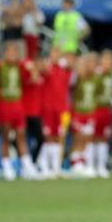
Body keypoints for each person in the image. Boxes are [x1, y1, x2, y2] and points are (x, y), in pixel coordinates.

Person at [0, 42, 39, 180]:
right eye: (10, 52)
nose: (13, 55)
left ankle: (26, 165)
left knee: (21, 135)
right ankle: (6, 166)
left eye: (15, 52)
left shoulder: (20, 67)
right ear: (5, 54)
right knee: (6, 137)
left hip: (18, 105)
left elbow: (34, 78)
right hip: (5, 104)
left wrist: (32, 68)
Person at [38, 49, 73, 178]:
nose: (55, 56)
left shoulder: (65, 71)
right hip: (48, 109)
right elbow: (40, 71)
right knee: (49, 138)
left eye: (58, 54)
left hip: (63, 110)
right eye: (53, 54)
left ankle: (56, 167)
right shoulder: (47, 69)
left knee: (60, 138)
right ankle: (46, 166)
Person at [69, 53, 98, 177]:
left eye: (93, 63)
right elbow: (70, 88)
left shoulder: (95, 78)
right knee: (78, 138)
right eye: (89, 63)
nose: (91, 66)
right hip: (78, 112)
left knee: (87, 139)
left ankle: (83, 163)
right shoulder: (77, 77)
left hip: (90, 112)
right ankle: (75, 165)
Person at [94, 50, 112, 178]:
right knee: (93, 137)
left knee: (103, 137)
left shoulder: (111, 75)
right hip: (96, 108)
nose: (107, 63)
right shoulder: (97, 74)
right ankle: (92, 165)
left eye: (109, 61)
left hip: (107, 109)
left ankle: (101, 166)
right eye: (105, 60)